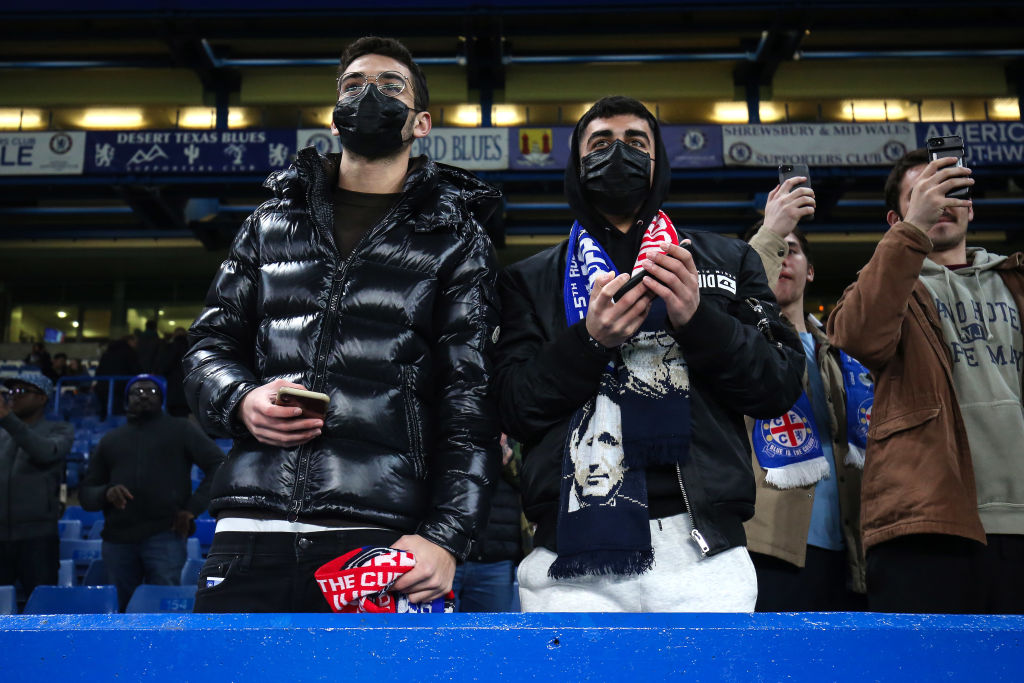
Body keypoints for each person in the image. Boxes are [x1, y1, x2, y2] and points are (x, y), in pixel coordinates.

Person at [183, 36, 502, 613]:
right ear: (335, 118)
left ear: (421, 122)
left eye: (390, 85)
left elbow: (469, 401)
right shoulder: (270, 222)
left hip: (376, 541)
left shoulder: (457, 240)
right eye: (353, 85)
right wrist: (240, 398)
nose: (369, 94)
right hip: (247, 536)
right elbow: (208, 345)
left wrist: (446, 538)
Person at [494, 95, 804, 613]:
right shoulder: (529, 280)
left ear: (659, 159)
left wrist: (698, 319)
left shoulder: (728, 259)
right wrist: (590, 341)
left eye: (636, 142)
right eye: (601, 143)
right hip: (569, 555)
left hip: (704, 550)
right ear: (576, 164)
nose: (619, 154)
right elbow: (511, 407)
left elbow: (778, 384)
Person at [828, 148, 1024, 614]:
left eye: (952, 191)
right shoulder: (888, 286)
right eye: (922, 195)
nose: (940, 202)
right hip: (927, 520)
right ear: (899, 217)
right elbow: (856, 335)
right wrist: (910, 234)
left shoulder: (1016, 280)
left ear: (971, 206)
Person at [743, 179, 866, 612]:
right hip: (772, 545)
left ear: (811, 270)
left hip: (848, 548)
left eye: (793, 250)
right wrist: (769, 238)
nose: (784, 258)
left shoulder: (845, 355)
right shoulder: (737, 344)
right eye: (777, 247)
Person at [79, 374, 224, 611]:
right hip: (118, 540)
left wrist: (192, 509)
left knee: (164, 612)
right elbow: (86, 493)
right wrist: (106, 493)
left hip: (165, 534)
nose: (144, 395)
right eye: (136, 392)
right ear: (127, 400)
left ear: (163, 399)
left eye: (152, 391)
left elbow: (218, 464)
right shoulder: (110, 440)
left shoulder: (181, 430)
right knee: (120, 613)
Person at [0, 371, 74, 597]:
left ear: (42, 398)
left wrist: (8, 420)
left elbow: (44, 453)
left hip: (38, 539)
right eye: (11, 391)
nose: (13, 396)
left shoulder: (60, 430)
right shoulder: (2, 433)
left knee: (42, 606)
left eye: (21, 391)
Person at [452, 434, 523, 612]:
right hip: (446, 551)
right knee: (432, 635)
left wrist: (506, 453)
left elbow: (534, 480)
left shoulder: (517, 422)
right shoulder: (454, 420)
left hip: (497, 559)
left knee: (493, 637)